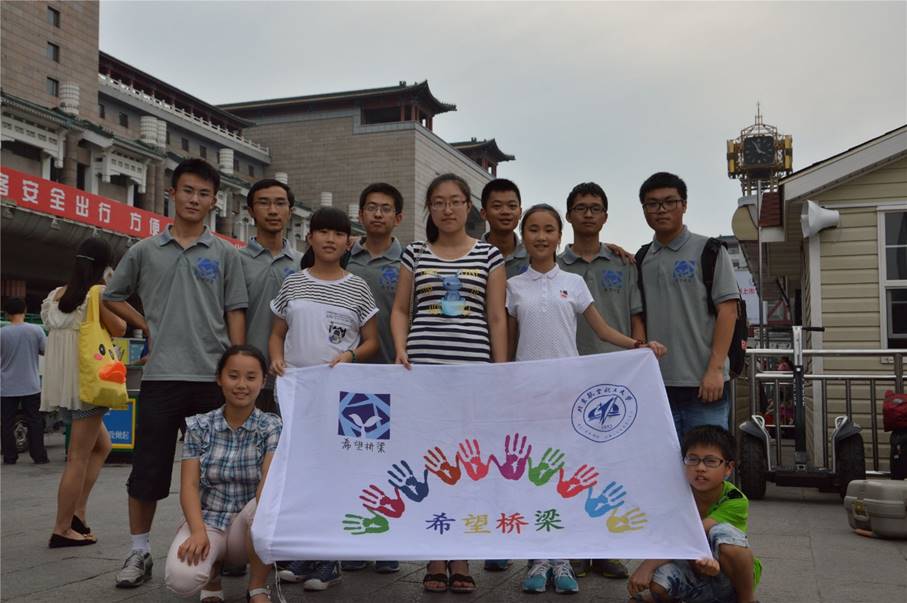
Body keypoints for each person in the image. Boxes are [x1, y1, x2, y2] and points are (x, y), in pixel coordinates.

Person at [104, 158, 249, 588]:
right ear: (172, 193)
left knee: (217, 470)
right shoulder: (145, 251)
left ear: (214, 201)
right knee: (148, 467)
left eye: (204, 194)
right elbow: (113, 295)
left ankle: (223, 548)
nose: (194, 199)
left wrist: (237, 366)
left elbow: (235, 311)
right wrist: (147, 325)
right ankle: (139, 550)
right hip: (161, 377)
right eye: (187, 190)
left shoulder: (225, 253)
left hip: (211, 379)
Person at [507, 204, 666, 595]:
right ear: (524, 236)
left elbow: (603, 329)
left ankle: (562, 557)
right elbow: (508, 344)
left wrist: (640, 346)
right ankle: (537, 558)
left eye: (548, 229)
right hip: (527, 394)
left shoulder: (574, 282)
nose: (541, 236)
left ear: (559, 236)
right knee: (534, 475)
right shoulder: (513, 286)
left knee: (564, 474)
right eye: (533, 229)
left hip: (568, 393)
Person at [390, 173, 508, 593]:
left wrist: (499, 370)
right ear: (430, 209)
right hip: (423, 374)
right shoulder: (415, 253)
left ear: (468, 206)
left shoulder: (490, 255)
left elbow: (496, 316)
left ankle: (461, 555)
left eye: (455, 201)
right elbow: (401, 310)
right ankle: (435, 556)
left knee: (467, 464)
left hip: (473, 375)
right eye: (439, 202)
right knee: (429, 462)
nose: (447, 209)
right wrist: (400, 348)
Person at [269, 206, 379, 591]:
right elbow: (276, 333)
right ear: (310, 238)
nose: (330, 239)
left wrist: (348, 356)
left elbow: (372, 341)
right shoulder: (293, 283)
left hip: (342, 397)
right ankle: (306, 552)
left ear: (348, 242)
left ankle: (330, 558)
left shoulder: (357, 287)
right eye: (323, 232)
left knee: (334, 471)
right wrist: (276, 358)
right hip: (298, 394)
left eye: (338, 233)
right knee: (302, 472)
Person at [558, 182, 644, 581]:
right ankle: (575, 547)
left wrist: (638, 359)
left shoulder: (624, 264)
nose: (588, 214)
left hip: (614, 381)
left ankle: (606, 548)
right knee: (572, 466)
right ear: (569, 216)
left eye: (595, 208)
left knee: (610, 466)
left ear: (606, 216)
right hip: (568, 377)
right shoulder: (554, 264)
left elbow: (636, 317)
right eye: (581, 208)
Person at [163, 345, 280, 603]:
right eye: (233, 376)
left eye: (251, 377)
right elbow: (189, 486)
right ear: (219, 378)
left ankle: (257, 586)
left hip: (248, 524)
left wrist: (266, 522)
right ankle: (212, 578)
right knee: (181, 580)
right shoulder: (199, 426)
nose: (242, 385)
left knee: (265, 505)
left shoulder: (272, 426)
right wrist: (197, 531)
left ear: (263, 382)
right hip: (209, 521)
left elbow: (268, 482)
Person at [636, 172, 739, 439]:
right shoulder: (641, 258)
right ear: (644, 210)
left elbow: (728, 311)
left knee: (707, 459)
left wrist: (715, 369)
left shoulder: (709, 250)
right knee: (661, 461)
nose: (661, 209)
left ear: (684, 205)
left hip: (704, 385)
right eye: (652, 204)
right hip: (656, 385)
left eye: (670, 201)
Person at [40, 239, 124, 547]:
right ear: (105, 265)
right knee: (77, 457)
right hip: (88, 386)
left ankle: (77, 513)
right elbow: (119, 328)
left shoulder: (54, 297)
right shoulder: (96, 294)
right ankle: (62, 528)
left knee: (103, 445)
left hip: (63, 389)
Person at [342, 182, 404, 575]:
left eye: (385, 209)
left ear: (398, 217)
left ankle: (389, 540)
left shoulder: (411, 260)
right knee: (358, 460)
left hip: (396, 375)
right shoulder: (345, 257)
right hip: (354, 377)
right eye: (371, 208)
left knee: (394, 463)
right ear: (361, 214)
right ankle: (358, 537)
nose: (378, 214)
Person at [627, 425, 761, 603]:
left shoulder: (735, 499)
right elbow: (668, 537)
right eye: (692, 459)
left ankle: (747, 600)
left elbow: (693, 533)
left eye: (711, 461)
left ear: (728, 468)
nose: (700, 468)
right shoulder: (675, 496)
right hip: (694, 569)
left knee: (723, 533)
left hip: (729, 578)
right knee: (658, 586)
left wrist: (647, 566)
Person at [239, 178, 302, 414]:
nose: (273, 210)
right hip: (246, 378)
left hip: (293, 376)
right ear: (251, 210)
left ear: (290, 211)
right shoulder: (235, 260)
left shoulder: (304, 263)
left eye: (280, 203)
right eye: (264, 203)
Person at [1, 297, 48, 465]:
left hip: (6, 386)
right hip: (31, 385)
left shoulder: (2, 333)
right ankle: (39, 456)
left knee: (6, 423)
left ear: (7, 314)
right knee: (35, 420)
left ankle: (9, 457)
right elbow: (45, 351)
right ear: (25, 311)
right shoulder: (36, 330)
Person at [480, 178, 528, 279]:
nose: (505, 211)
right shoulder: (471, 255)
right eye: (497, 206)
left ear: (520, 212)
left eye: (512, 206)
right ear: (484, 213)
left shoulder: (533, 257)